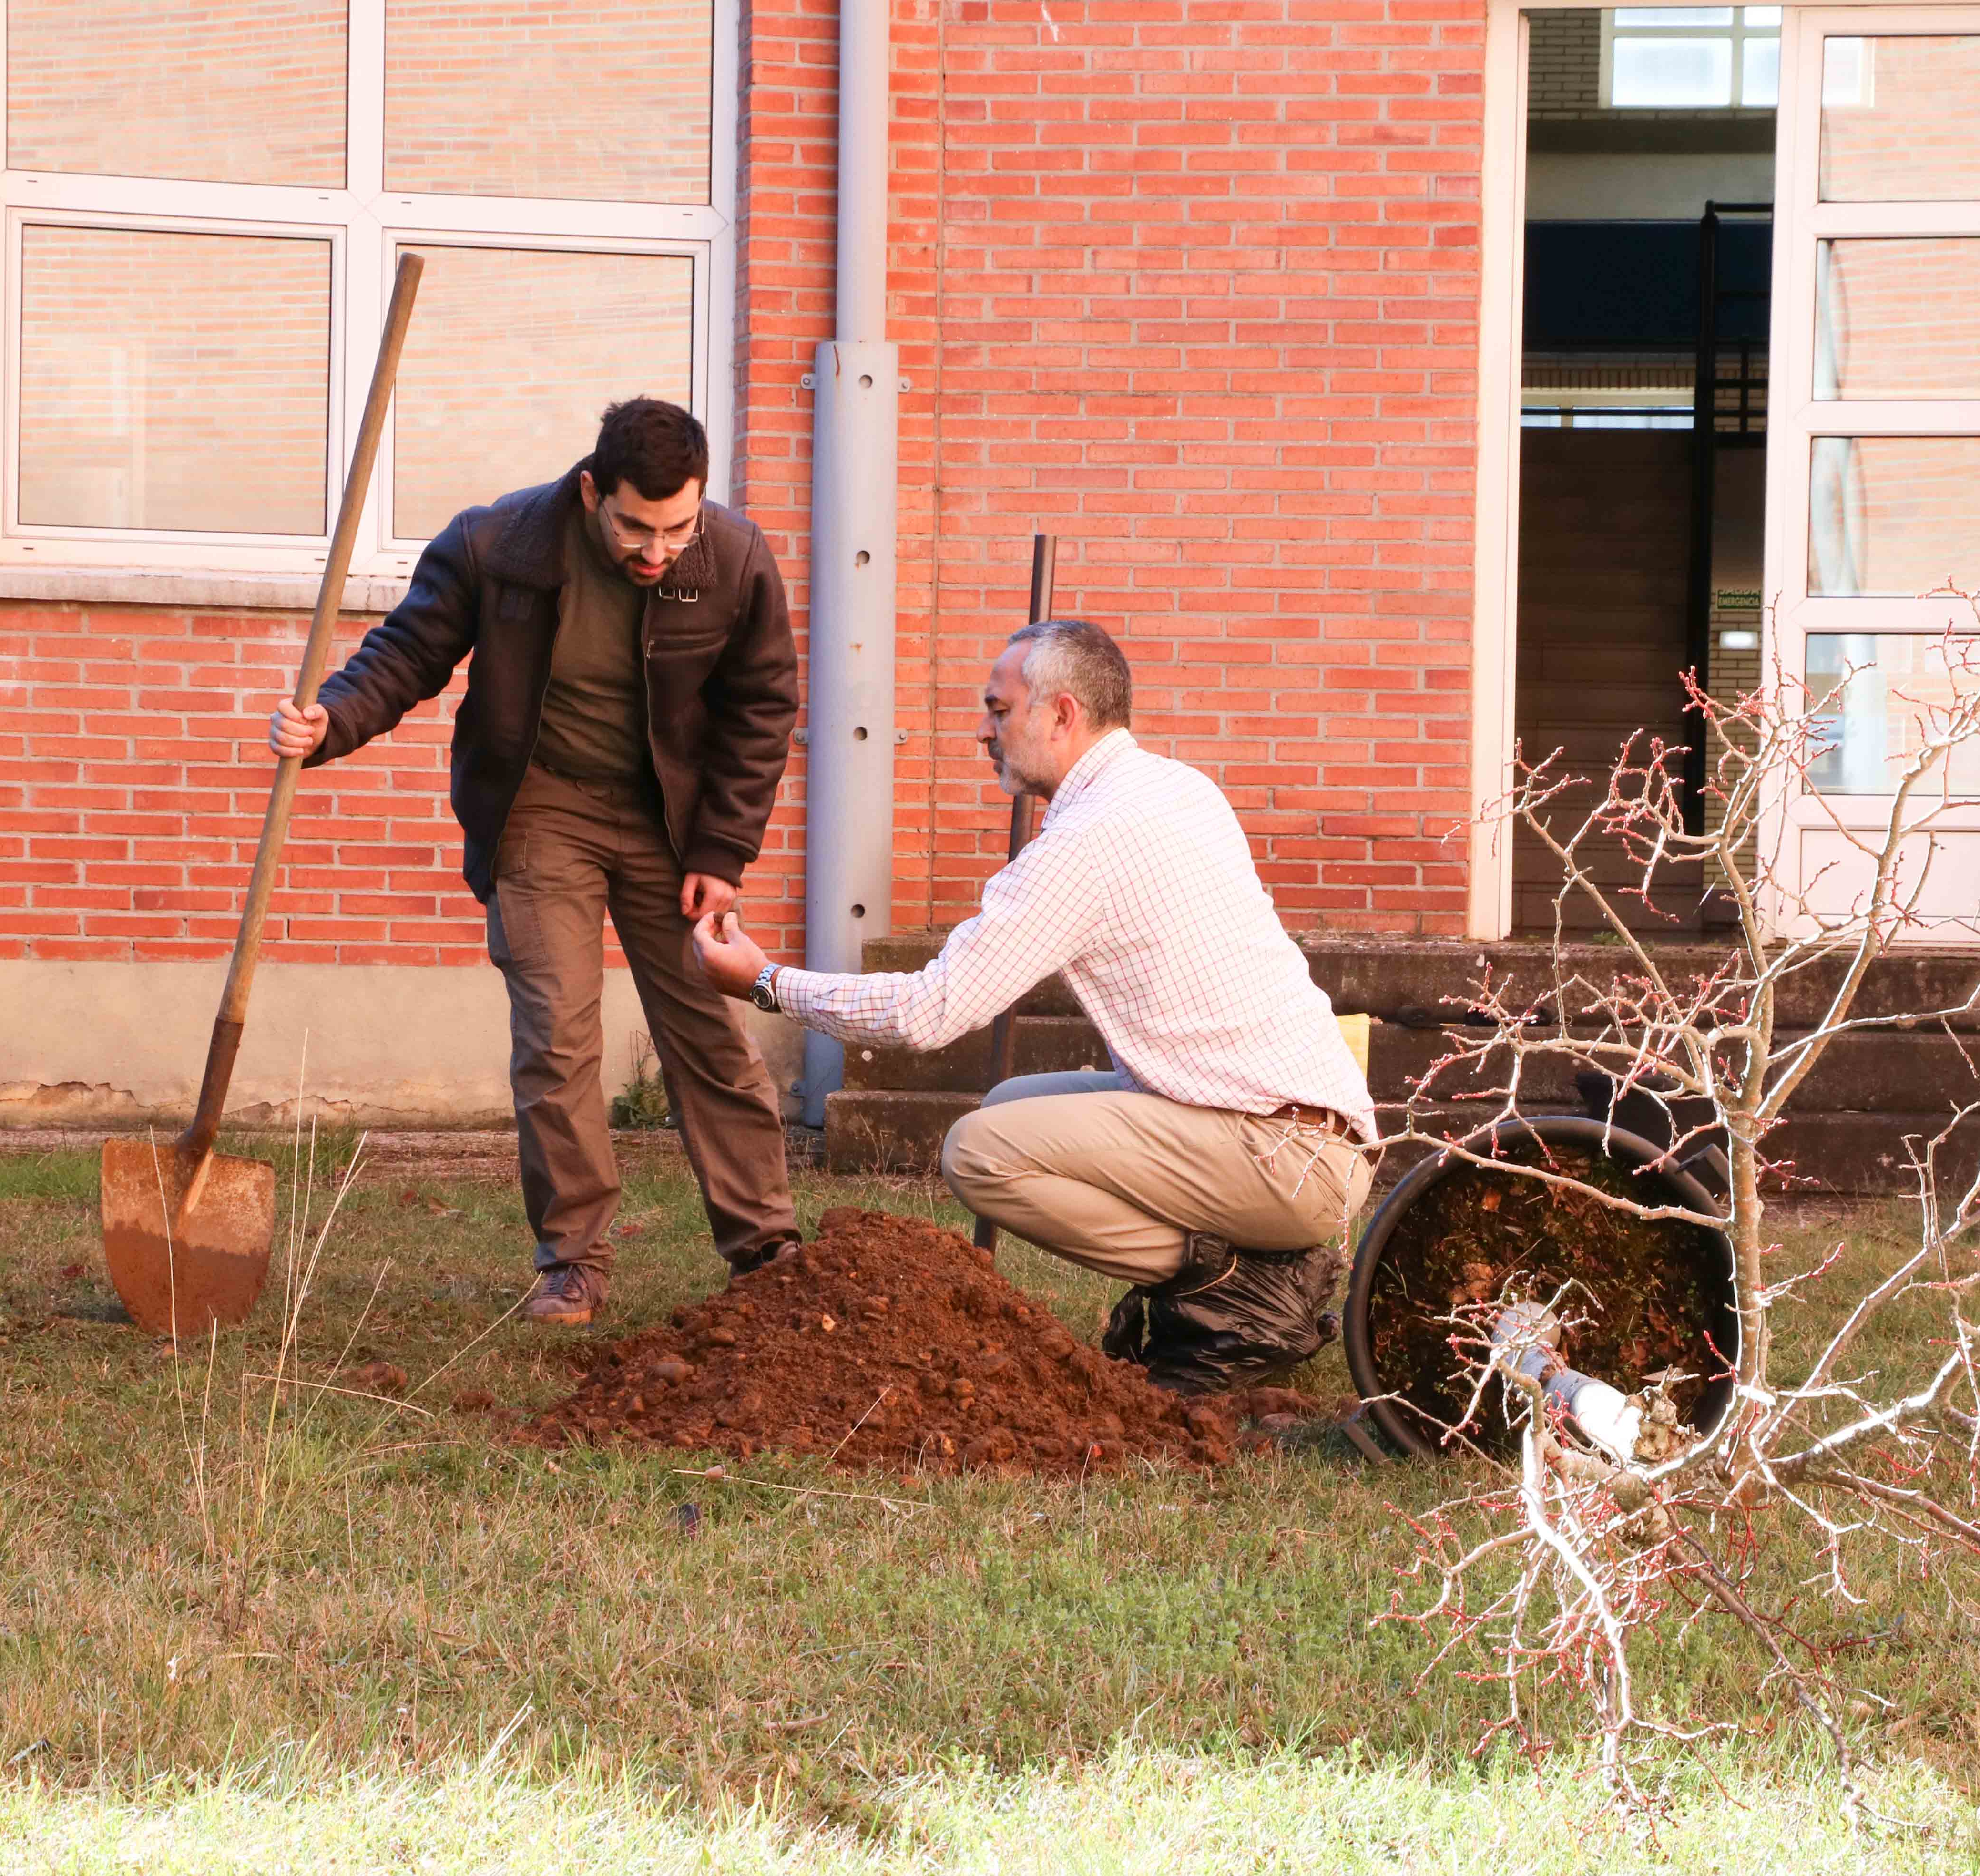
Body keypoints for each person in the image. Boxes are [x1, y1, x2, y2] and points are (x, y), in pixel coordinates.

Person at [689, 618, 1376, 1394]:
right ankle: (1255, 1263)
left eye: (998, 708)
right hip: (1314, 1136)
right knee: (1012, 1102)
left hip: (1278, 1157)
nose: (985, 731)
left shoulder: (1088, 841)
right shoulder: (1177, 786)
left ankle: (1238, 1289)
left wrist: (767, 983)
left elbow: (930, 1011)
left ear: (1061, 715)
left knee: (981, 1151)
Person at [265, 399, 799, 1326]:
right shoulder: (498, 545)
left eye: (678, 526)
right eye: (636, 525)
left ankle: (765, 1248)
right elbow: (407, 654)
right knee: (556, 1036)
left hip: (674, 826)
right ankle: (575, 1260)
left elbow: (762, 708)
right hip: (543, 808)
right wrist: (333, 719)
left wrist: (723, 851)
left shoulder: (735, 558)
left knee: (707, 1033)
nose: (659, 549)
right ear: (593, 490)